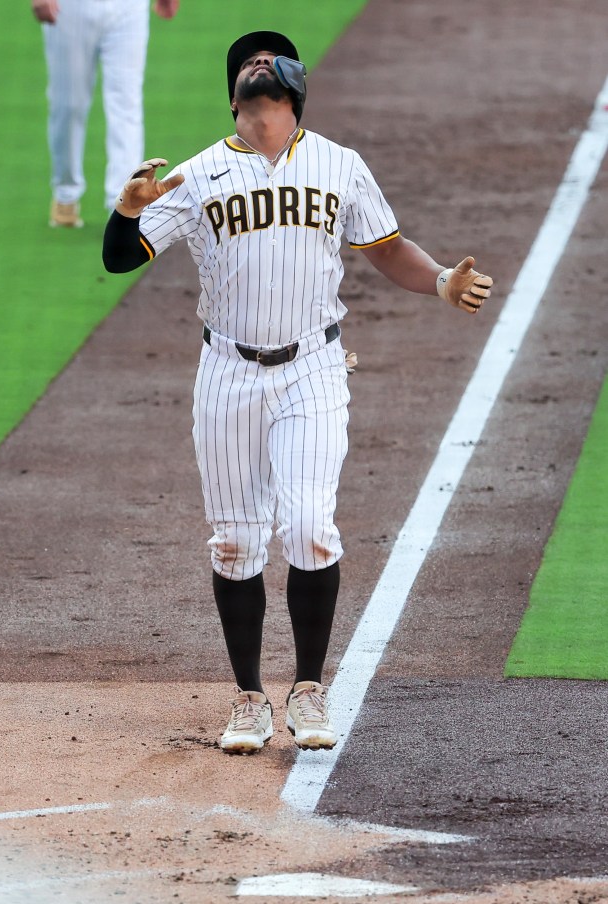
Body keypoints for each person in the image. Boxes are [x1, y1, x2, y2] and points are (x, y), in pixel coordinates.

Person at [102, 31, 493, 755]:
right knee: (234, 540)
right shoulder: (198, 175)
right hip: (226, 373)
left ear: (295, 88)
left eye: (269, 60)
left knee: (310, 525)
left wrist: (440, 279)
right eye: (245, 64)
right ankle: (249, 697)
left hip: (313, 369)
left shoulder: (339, 166)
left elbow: (387, 250)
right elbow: (120, 256)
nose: (256, 64)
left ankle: (308, 688)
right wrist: (127, 210)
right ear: (233, 97)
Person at [31, 0, 180, 228]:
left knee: (127, 104)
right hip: (70, 9)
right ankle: (65, 192)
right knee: (69, 105)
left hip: (130, 8)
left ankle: (122, 205)